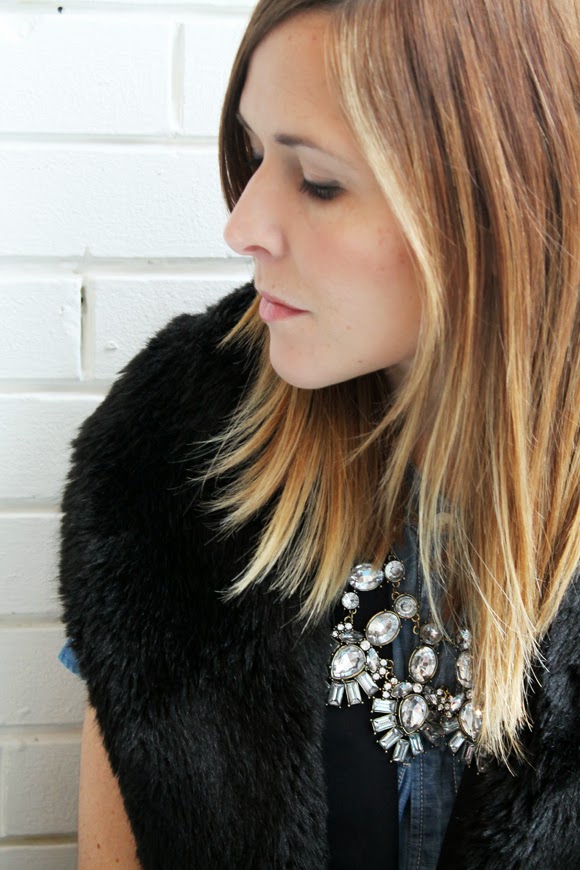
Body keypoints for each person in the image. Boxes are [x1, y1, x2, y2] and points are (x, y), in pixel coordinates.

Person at [58, 1, 579, 868]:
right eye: (256, 153)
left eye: (319, 181)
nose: (241, 226)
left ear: (496, 206)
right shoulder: (172, 469)